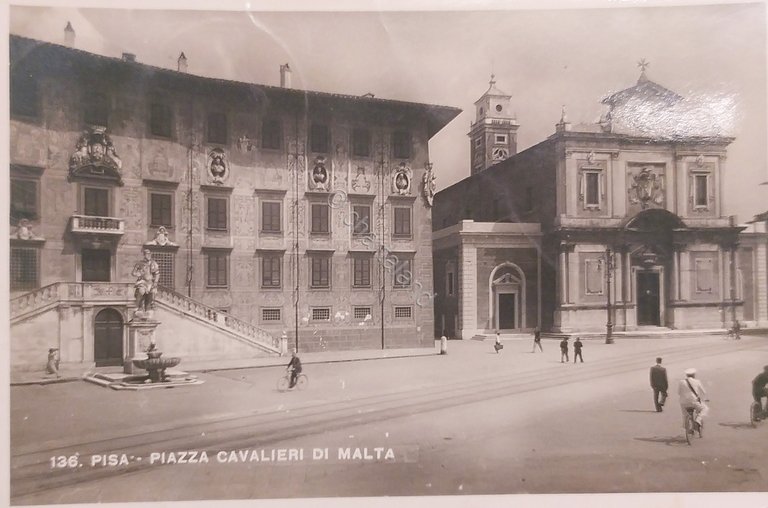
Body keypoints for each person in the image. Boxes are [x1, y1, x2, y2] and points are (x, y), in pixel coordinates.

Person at [132, 248, 160, 314]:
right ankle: (137, 307)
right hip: (142, 281)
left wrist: (155, 282)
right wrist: (138, 274)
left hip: (150, 282)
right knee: (140, 291)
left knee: (151, 294)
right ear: (144, 255)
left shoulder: (153, 263)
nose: (148, 255)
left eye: (149, 254)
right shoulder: (139, 263)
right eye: (147, 254)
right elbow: (133, 272)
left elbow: (157, 274)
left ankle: (149, 308)